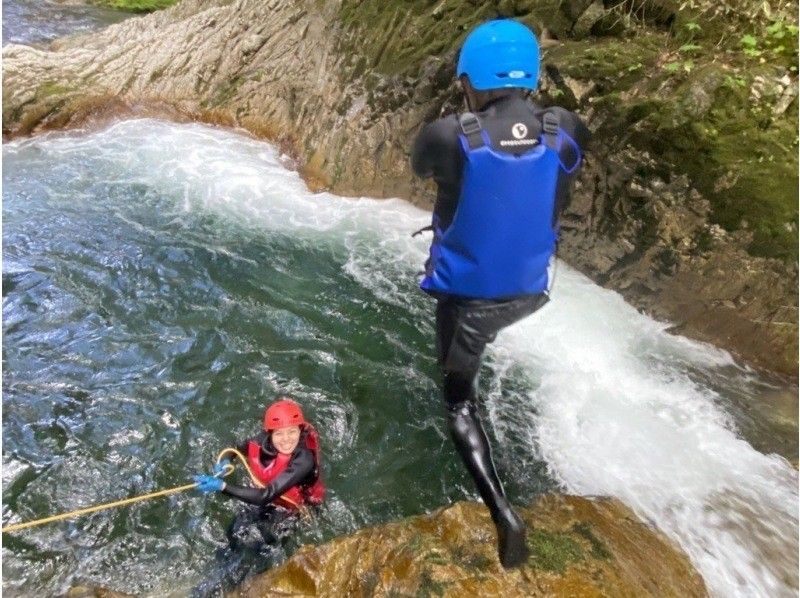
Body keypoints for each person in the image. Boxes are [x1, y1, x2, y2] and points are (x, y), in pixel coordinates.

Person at [411, 18, 589, 569]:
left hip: (469, 301)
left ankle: (503, 517)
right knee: (483, 341)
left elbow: (423, 170)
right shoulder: (568, 128)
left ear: (470, 78)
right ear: (531, 76)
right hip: (531, 290)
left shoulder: (447, 135)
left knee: (459, 402)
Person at [192, 397, 324, 594]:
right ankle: (214, 580)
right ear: (269, 433)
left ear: (300, 431)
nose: (287, 439)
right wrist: (225, 462)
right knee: (234, 535)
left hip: (291, 508)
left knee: (262, 550)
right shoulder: (260, 441)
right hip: (265, 497)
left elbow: (266, 495)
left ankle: (240, 589)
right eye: (279, 433)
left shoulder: (303, 460)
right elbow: (234, 449)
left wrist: (222, 486)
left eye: (292, 432)